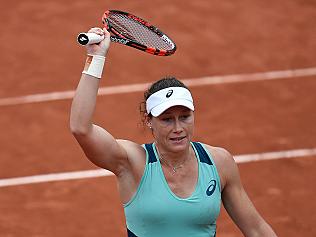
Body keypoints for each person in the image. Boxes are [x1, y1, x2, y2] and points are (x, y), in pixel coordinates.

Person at [70, 27, 278, 237]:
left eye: (184, 117)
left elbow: (256, 229)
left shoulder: (219, 162)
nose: (178, 128)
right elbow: (81, 129)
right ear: (149, 120)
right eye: (167, 120)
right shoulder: (132, 163)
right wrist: (95, 58)